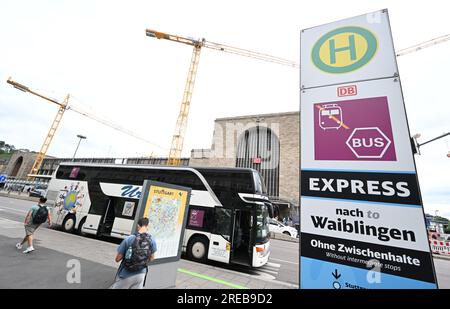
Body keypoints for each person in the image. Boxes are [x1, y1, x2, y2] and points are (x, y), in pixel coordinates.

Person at [110, 217, 157, 289]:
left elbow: (117, 259)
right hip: (141, 274)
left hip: (126, 274)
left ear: (138, 226)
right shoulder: (152, 240)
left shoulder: (129, 238)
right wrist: (141, 262)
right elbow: (152, 258)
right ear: (147, 226)